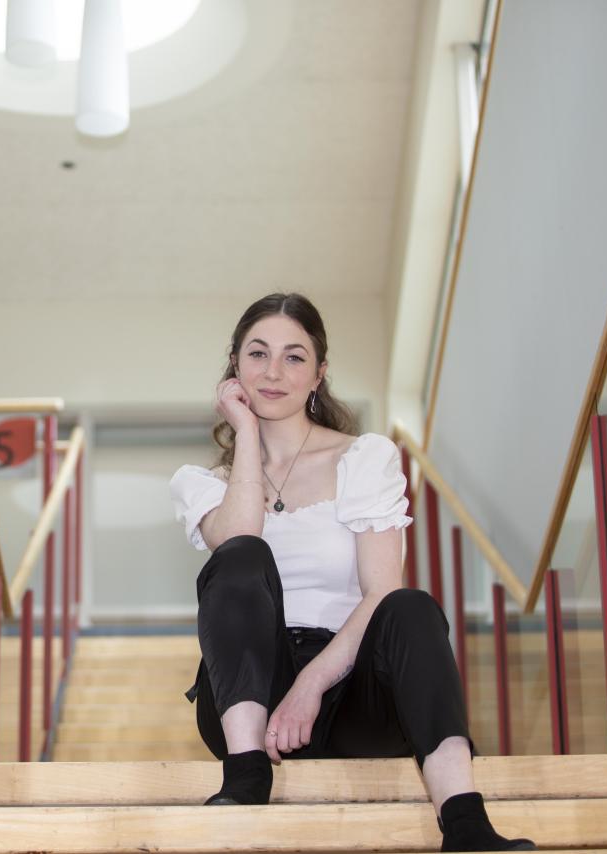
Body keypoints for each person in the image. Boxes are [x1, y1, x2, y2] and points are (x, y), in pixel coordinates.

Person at [169, 293, 534, 852]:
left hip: (349, 686)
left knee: (409, 604)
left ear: (319, 373)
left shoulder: (364, 458)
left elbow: (380, 590)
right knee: (242, 555)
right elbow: (240, 534)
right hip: (248, 701)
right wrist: (246, 431)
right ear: (234, 366)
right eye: (258, 354)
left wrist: (311, 684)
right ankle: (245, 778)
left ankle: (466, 823)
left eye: (294, 357)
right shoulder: (202, 484)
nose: (273, 372)